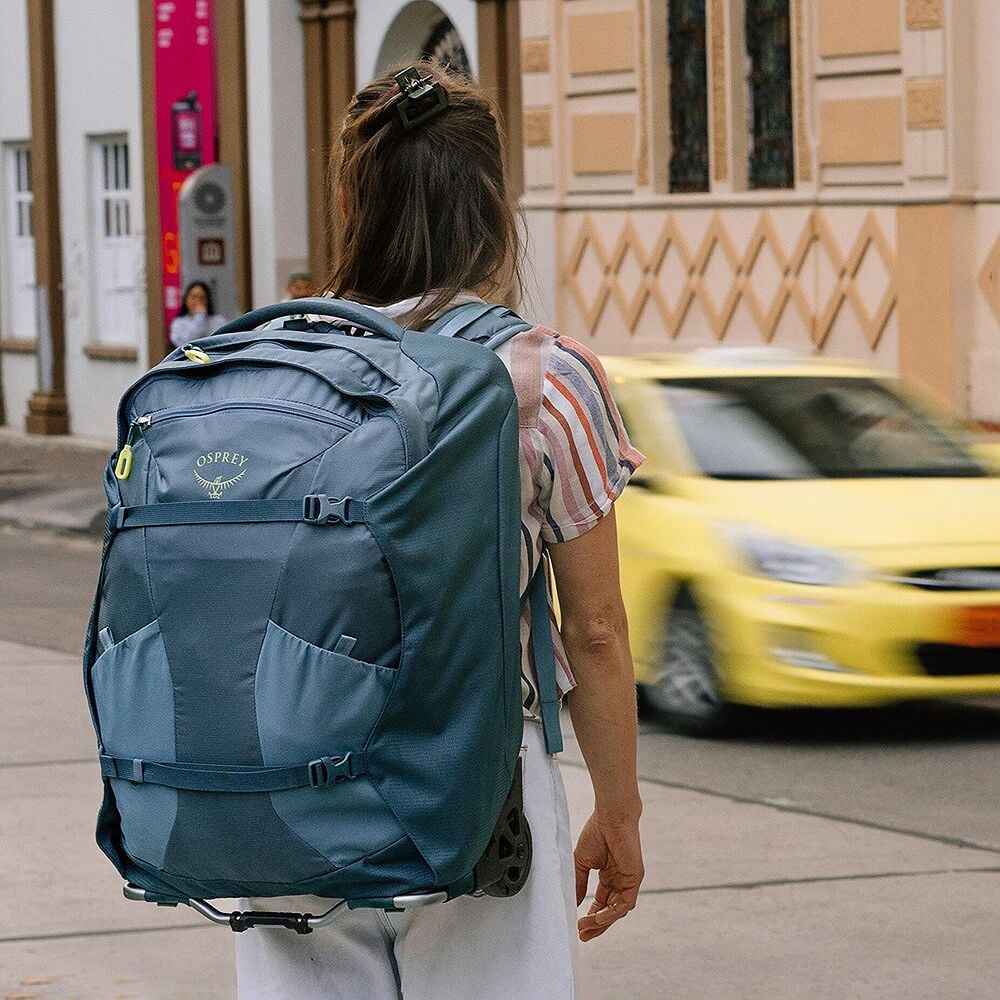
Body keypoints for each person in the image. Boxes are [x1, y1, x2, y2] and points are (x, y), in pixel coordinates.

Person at [235, 63, 646, 1000]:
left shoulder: (267, 369)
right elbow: (595, 629)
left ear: (349, 201)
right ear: (497, 203)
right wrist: (616, 811)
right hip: (474, 800)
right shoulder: (547, 381)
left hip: (288, 793)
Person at [168, 281, 226, 347]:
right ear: (186, 299)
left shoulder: (218, 320)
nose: (197, 301)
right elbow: (184, 343)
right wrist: (199, 317)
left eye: (202, 298)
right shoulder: (178, 322)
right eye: (194, 297)